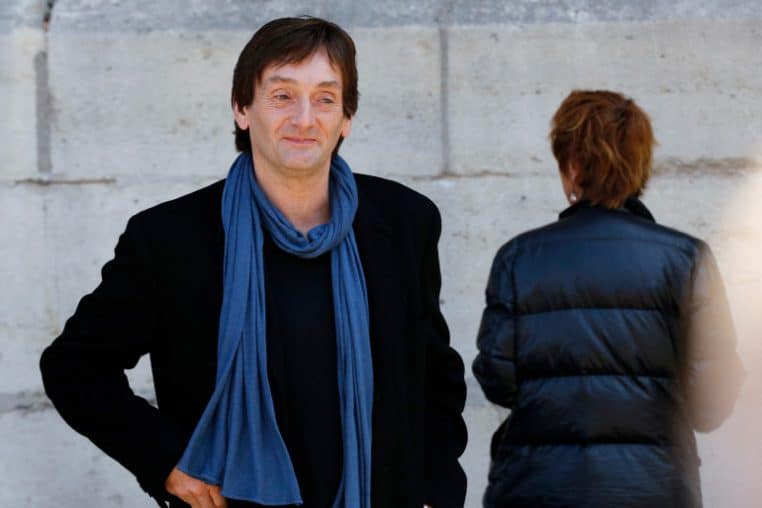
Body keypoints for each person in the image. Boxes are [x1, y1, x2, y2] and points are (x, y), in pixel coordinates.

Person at [40, 16, 467, 508]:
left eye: (325, 98)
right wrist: (168, 461)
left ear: (346, 118)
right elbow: (75, 366)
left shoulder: (404, 222)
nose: (304, 119)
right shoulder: (170, 238)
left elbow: (435, 375)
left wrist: (436, 491)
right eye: (282, 95)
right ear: (242, 109)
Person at [472, 90, 745, 508]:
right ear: (639, 164)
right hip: (653, 490)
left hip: (539, 487)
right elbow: (712, 397)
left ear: (572, 165)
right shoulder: (686, 259)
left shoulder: (519, 258)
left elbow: (497, 379)